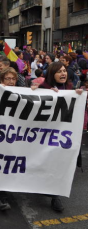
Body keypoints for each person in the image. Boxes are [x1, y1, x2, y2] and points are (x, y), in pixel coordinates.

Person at [31, 61, 83, 212]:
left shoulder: (70, 89)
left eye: (64, 70)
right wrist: (35, 92)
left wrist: (78, 96)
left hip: (62, 137)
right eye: (59, 71)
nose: (63, 73)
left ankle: (55, 197)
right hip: (44, 136)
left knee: (58, 165)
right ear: (52, 74)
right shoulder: (44, 89)